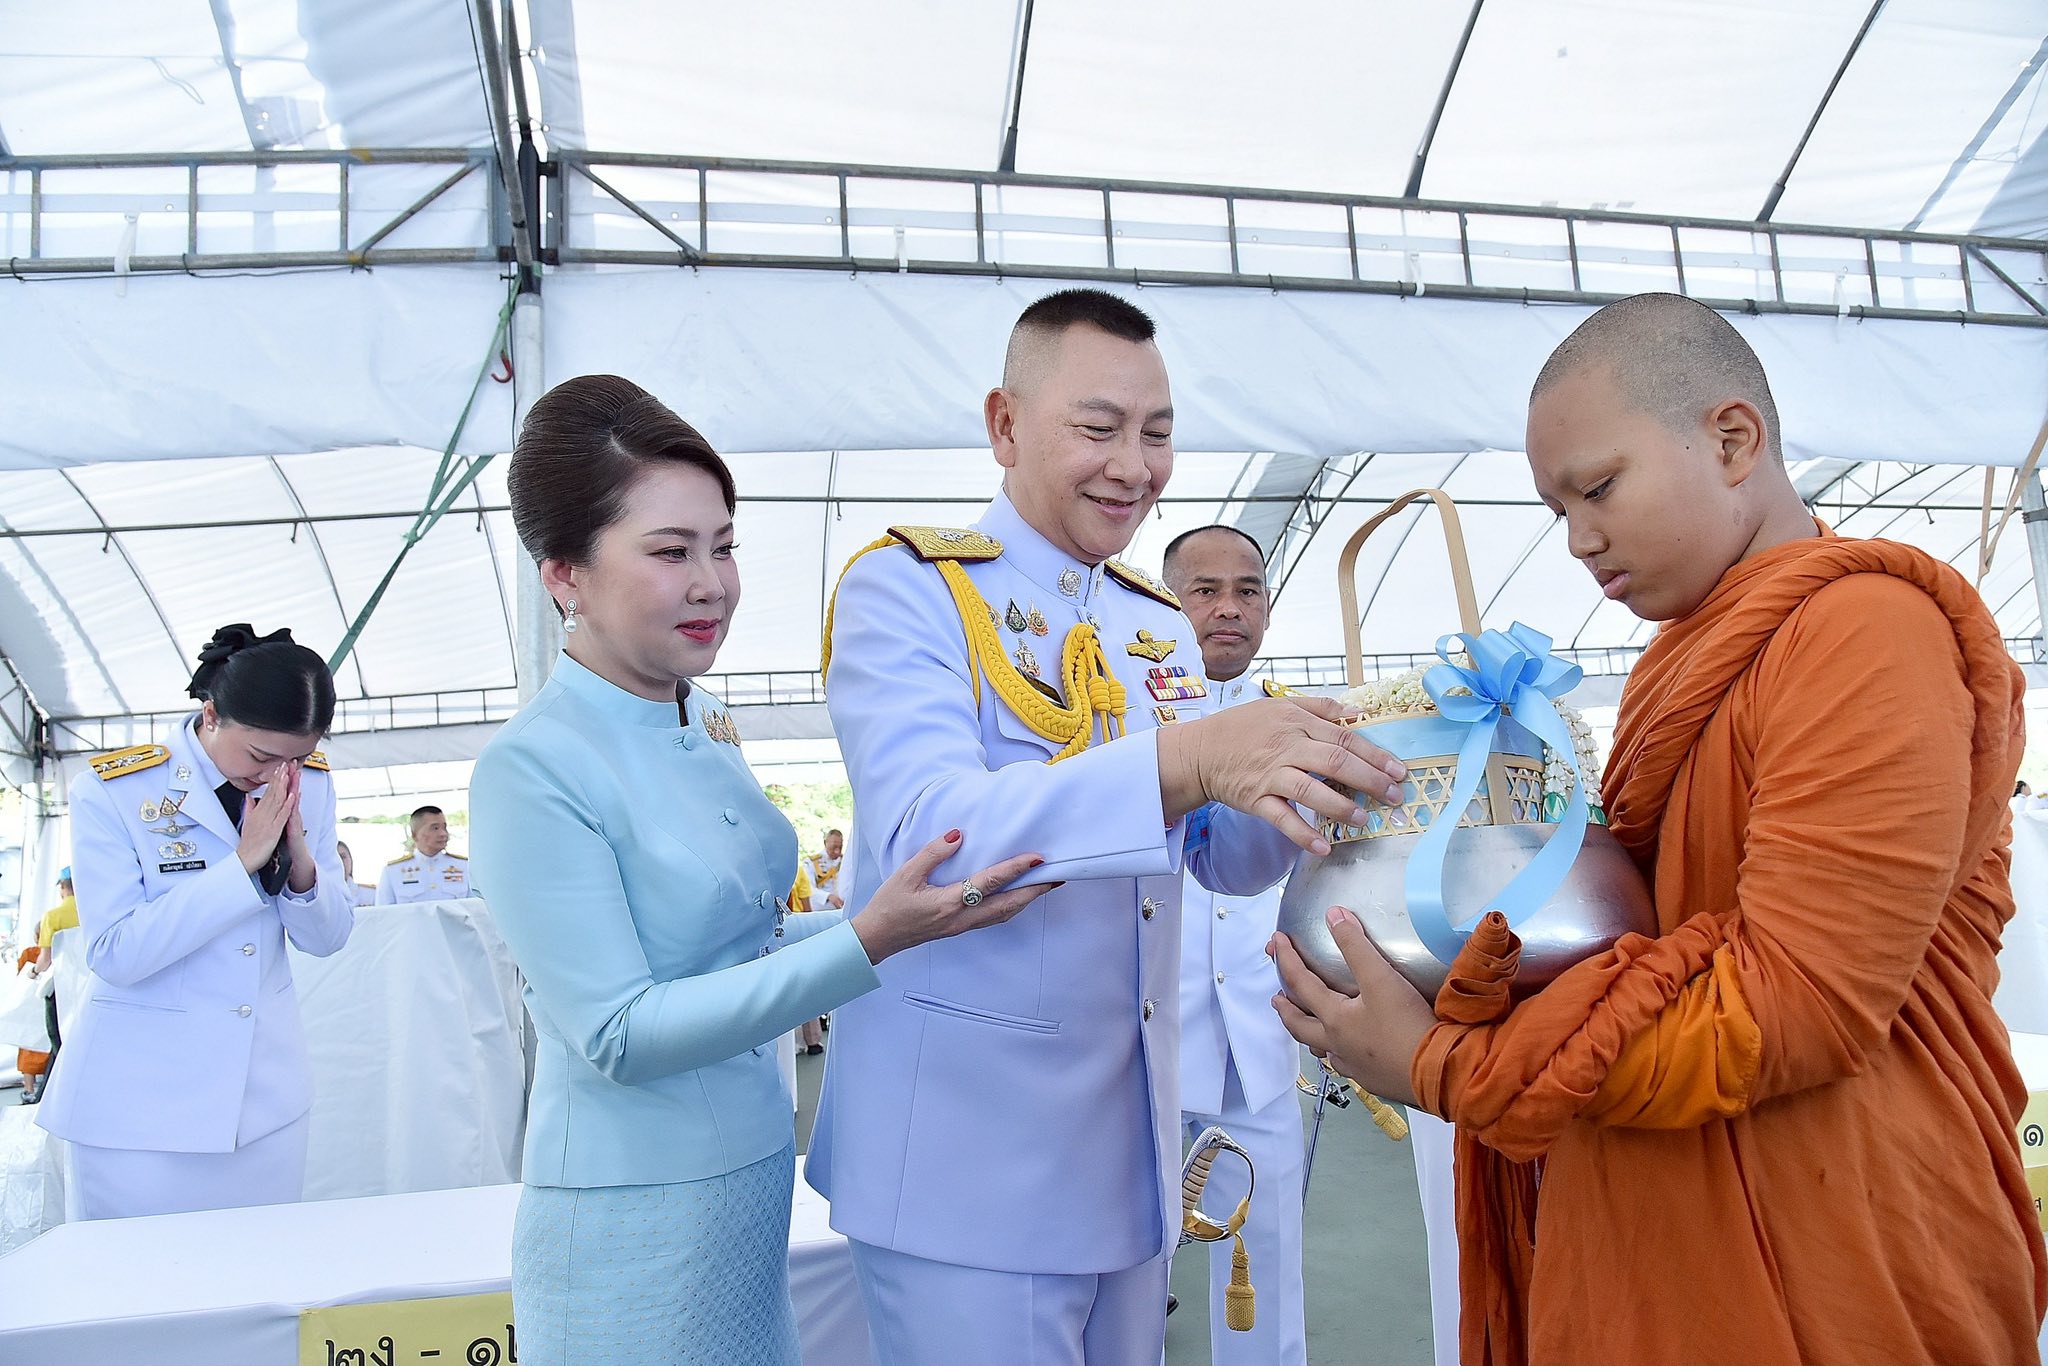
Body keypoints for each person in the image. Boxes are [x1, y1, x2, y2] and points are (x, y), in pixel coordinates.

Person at [1272, 293, 2048, 1365]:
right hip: (1655, 1216)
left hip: (1839, 1228)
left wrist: (1450, 1063)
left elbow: (1798, 1003)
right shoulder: (1675, 665)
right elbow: (1627, 939)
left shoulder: (1866, 630)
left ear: (1731, 439)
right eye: (1556, 509)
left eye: (1597, 488)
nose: (1578, 540)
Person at [808, 288, 1406, 1365]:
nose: (1134, 466)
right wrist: (1194, 759)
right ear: (1004, 425)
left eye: (1158, 432)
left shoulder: (1152, 622)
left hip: (1127, 1150)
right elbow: (928, 837)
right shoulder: (908, 591)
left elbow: (1215, 859)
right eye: (1099, 428)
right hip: (966, 1161)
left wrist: (1309, 778)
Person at [467, 374, 1053, 1366]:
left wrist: (923, 910)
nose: (713, 583)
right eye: (670, 551)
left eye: (724, 545)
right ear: (563, 573)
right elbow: (618, 1031)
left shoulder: (702, 717)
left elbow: (742, 940)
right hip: (630, 1222)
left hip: (749, 1179)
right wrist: (871, 938)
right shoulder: (534, 767)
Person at [37, 624, 355, 1220]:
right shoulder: (116, 791)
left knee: (261, 1267)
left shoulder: (309, 784)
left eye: (293, 757)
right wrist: (241, 868)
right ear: (211, 715)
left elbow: (328, 937)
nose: (275, 774)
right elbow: (116, 952)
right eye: (260, 756)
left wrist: (301, 864)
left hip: (264, 1102)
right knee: (136, 1272)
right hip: (140, 1106)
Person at [1159, 523, 1308, 1366]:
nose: (1228, 608)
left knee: (1266, 1266)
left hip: (1257, 1032)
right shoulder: (1116, 715)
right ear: (1163, 603)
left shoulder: (1303, 726)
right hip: (1139, 1036)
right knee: (1123, 1270)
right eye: (1205, 590)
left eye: (1247, 591)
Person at [18, 868, 80, 1103]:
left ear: (63, 887)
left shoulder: (52, 917)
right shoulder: (91, 911)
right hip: (90, 986)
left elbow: (45, 960)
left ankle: (48, 1100)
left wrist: (32, 972)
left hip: (59, 988)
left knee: (58, 1042)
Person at [376, 806, 469, 903]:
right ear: (414, 835)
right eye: (435, 828)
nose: (443, 834)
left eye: (444, 827)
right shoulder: (393, 871)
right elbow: (383, 910)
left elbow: (475, 907)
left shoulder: (464, 867)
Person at [807, 829, 848, 910]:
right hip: (819, 910)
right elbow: (808, 888)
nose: (837, 851)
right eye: (834, 847)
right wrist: (828, 896)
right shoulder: (811, 862)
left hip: (841, 910)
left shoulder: (846, 862)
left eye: (840, 847)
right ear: (825, 843)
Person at [336, 841, 378, 906]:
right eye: (336, 858)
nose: (340, 862)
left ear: (351, 860)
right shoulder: (321, 897)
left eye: (343, 857)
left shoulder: (371, 894)